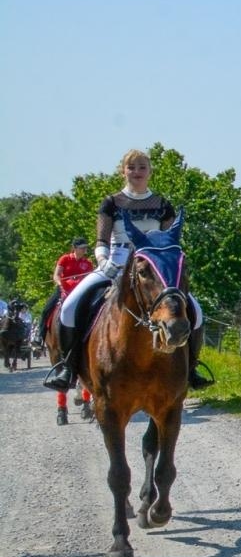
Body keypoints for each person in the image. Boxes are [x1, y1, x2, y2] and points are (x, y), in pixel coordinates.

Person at [43, 149, 212, 392]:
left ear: (150, 171)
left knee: (195, 310)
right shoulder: (111, 203)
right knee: (69, 307)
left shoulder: (163, 204)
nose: (137, 172)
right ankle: (66, 367)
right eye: (132, 167)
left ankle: (191, 368)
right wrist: (103, 260)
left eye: (142, 167)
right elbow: (101, 239)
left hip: (151, 268)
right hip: (116, 261)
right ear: (123, 171)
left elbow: (169, 243)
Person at [32, 237, 95, 347]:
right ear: (74, 248)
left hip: (80, 292)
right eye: (82, 248)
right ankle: (40, 336)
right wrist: (60, 284)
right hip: (64, 289)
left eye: (85, 248)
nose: (85, 250)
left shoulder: (88, 263)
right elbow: (56, 275)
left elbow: (90, 278)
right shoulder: (65, 259)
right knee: (47, 309)